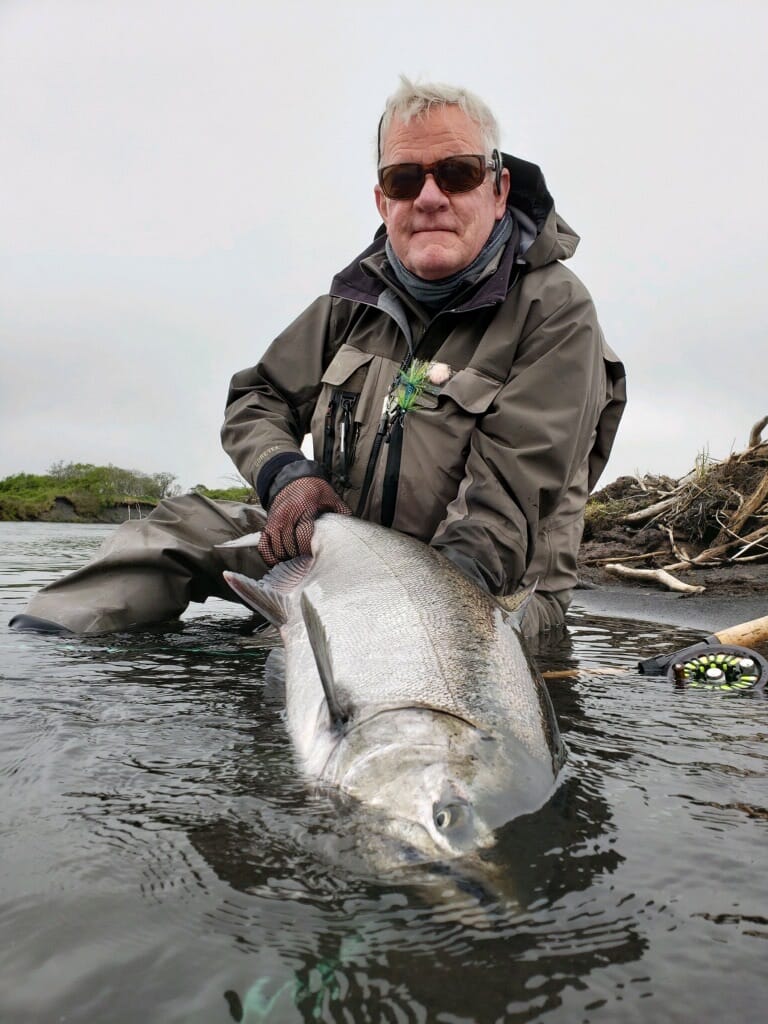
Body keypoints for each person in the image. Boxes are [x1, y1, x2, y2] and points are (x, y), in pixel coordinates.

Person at [10, 78, 626, 638]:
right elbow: (258, 397)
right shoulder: (348, 301)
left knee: (400, 677)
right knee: (173, 530)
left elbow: (504, 513)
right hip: (339, 549)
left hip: (487, 585)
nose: (430, 197)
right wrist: (288, 476)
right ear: (383, 202)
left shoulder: (557, 310)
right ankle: (38, 662)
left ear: (498, 189)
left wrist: (392, 615)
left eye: (458, 173)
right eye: (405, 179)